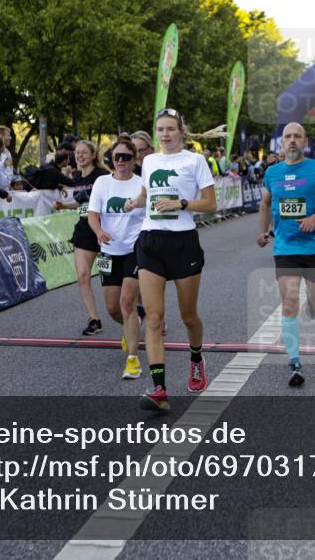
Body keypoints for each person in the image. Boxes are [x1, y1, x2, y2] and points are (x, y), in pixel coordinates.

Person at [124, 108, 217, 412]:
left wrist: (182, 203)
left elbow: (212, 204)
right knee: (153, 317)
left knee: (188, 316)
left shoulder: (195, 160)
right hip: (151, 241)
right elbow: (146, 193)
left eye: (170, 129)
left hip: (183, 242)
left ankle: (196, 357)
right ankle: (159, 389)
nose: (165, 134)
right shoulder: (149, 161)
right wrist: (135, 202)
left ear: (181, 131)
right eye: (160, 130)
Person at [257, 122, 315, 386]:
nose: (292, 140)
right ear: (282, 142)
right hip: (285, 248)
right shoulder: (272, 173)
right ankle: (294, 362)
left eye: (297, 136)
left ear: (305, 142)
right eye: (288, 137)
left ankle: (313, 303)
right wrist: (264, 232)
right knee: (290, 301)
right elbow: (265, 202)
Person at [88, 137, 146, 379]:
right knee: (113, 308)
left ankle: (133, 360)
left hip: (135, 248)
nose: (121, 161)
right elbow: (92, 213)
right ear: (112, 160)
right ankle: (131, 327)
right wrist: (99, 231)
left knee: (127, 303)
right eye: (117, 157)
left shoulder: (143, 183)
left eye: (126, 157)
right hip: (109, 251)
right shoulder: (102, 182)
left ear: (134, 160)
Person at [52, 141, 110, 336]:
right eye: (77, 153)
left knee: (114, 279)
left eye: (84, 152)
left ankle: (139, 310)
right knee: (83, 276)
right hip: (84, 230)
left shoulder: (102, 176)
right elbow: (81, 204)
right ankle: (94, 319)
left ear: (93, 155)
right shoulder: (76, 177)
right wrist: (64, 206)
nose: (80, 156)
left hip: (105, 231)